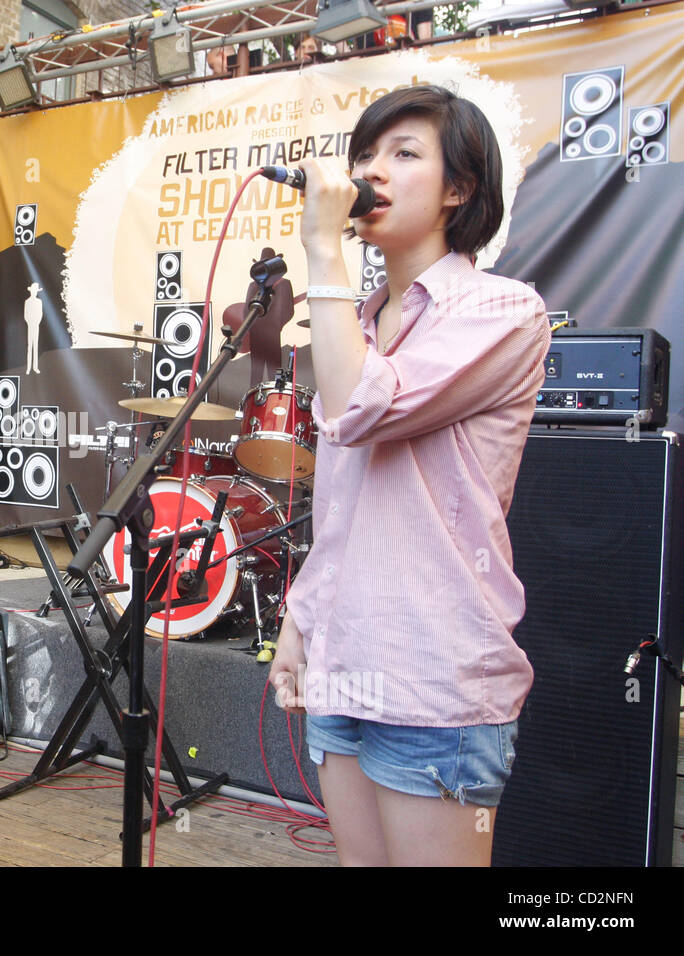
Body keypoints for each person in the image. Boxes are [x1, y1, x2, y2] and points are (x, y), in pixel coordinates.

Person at [268, 85, 550, 865]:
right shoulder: (350, 324)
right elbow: (346, 511)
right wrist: (300, 625)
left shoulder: (504, 312)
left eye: (404, 154)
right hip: (345, 660)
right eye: (365, 155)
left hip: (436, 676)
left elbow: (361, 409)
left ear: (459, 190)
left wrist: (321, 251)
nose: (372, 172)